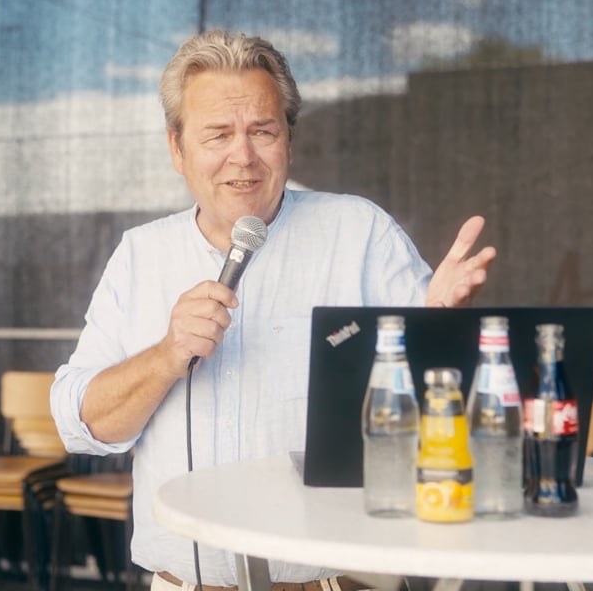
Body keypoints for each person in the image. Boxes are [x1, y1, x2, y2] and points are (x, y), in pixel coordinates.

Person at [51, 29, 496, 591]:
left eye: (262, 130)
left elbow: (443, 410)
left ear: (288, 140)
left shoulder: (357, 231)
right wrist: (166, 356)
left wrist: (440, 326)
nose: (243, 156)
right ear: (176, 148)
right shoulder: (140, 255)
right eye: (217, 134)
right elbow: (79, 423)